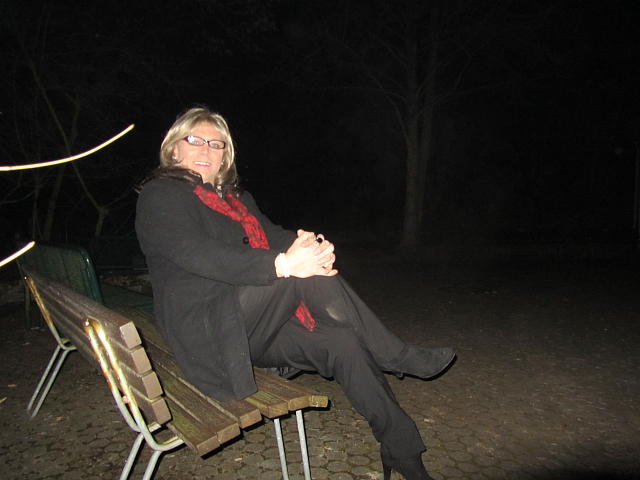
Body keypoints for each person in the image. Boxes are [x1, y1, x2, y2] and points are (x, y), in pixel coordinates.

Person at [135, 106, 455, 480]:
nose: (206, 149)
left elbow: (273, 236)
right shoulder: (161, 196)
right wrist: (285, 264)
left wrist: (312, 245)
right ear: (175, 148)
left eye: (217, 144)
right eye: (195, 140)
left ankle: (402, 450)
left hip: (244, 327)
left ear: (226, 156)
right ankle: (396, 355)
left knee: (342, 342)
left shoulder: (237, 200)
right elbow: (198, 253)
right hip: (207, 334)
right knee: (299, 274)